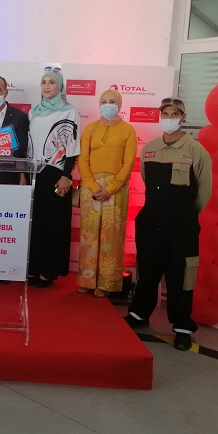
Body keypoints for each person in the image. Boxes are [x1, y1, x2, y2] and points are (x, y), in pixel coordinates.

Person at [124, 97, 212, 351]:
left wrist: (183, 214)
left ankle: (182, 327)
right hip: (151, 219)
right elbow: (146, 180)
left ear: (183, 117)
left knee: (180, 275)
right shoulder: (150, 149)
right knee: (148, 269)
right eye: (165, 113)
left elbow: (203, 192)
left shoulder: (196, 151)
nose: (169, 118)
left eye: (175, 114)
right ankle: (139, 314)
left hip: (182, 224)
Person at [77, 89, 137, 297]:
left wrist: (111, 187)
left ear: (119, 105)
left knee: (111, 236)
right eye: (104, 101)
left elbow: (129, 163)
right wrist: (93, 186)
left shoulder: (128, 130)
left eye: (112, 101)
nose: (108, 105)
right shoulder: (90, 129)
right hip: (91, 188)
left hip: (116, 189)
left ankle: (106, 283)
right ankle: (87, 279)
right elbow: (82, 160)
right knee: (89, 235)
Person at [27, 69, 80, 287]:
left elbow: (73, 147)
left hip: (56, 173)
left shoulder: (69, 111)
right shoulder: (33, 112)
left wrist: (67, 175)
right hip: (34, 172)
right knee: (35, 222)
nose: (47, 86)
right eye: (43, 82)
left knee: (53, 223)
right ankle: (33, 268)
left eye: (51, 82)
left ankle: (48, 271)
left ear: (60, 86)